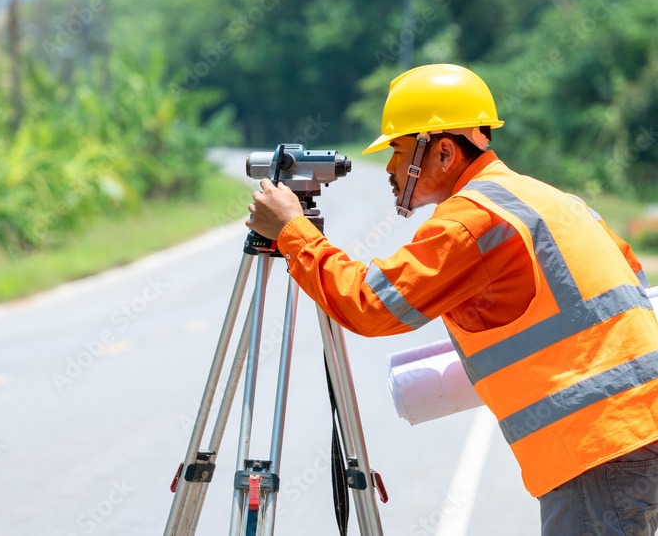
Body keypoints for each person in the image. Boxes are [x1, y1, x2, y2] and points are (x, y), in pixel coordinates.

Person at [246, 63, 658, 536]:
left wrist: (292, 232)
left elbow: (369, 305)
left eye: (398, 151)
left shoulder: (469, 221)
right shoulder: (548, 197)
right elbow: (628, 281)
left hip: (598, 446)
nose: (389, 168)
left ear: (442, 151)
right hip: (635, 430)